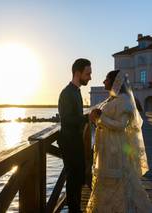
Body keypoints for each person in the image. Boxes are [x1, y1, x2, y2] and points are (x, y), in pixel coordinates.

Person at [86, 70, 152, 212]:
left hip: (115, 147)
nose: (104, 81)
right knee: (108, 181)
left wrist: (100, 118)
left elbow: (121, 125)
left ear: (114, 82)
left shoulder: (124, 100)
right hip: (108, 146)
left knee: (118, 181)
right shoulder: (114, 99)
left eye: (106, 79)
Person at [57, 58, 92, 212]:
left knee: (78, 179)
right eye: (87, 74)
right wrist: (86, 118)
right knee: (72, 181)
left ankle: (76, 209)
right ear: (77, 73)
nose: (90, 77)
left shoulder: (77, 92)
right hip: (69, 143)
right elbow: (66, 120)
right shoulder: (66, 93)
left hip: (76, 142)